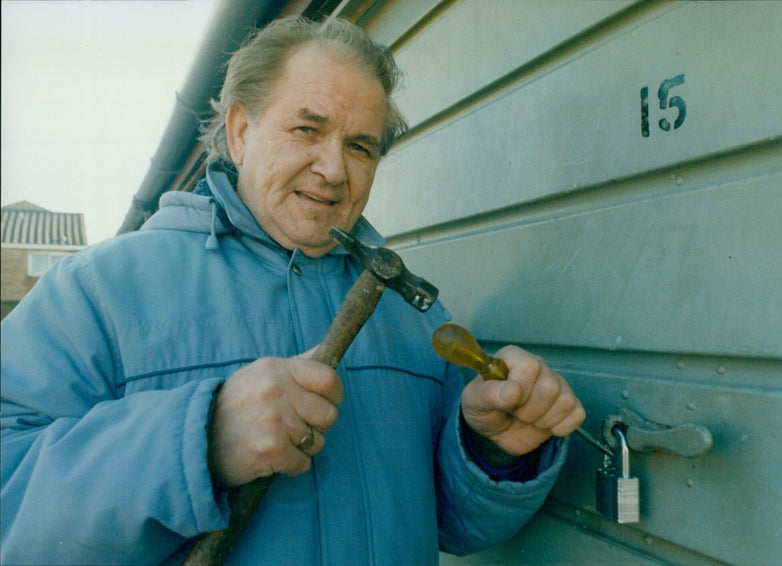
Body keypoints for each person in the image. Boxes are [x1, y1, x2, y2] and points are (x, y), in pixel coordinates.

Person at [0, 17, 585, 566]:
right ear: (240, 132)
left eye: (360, 146)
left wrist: (491, 453)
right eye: (307, 129)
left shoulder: (407, 319)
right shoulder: (100, 290)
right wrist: (198, 441)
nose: (333, 169)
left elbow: (456, 526)